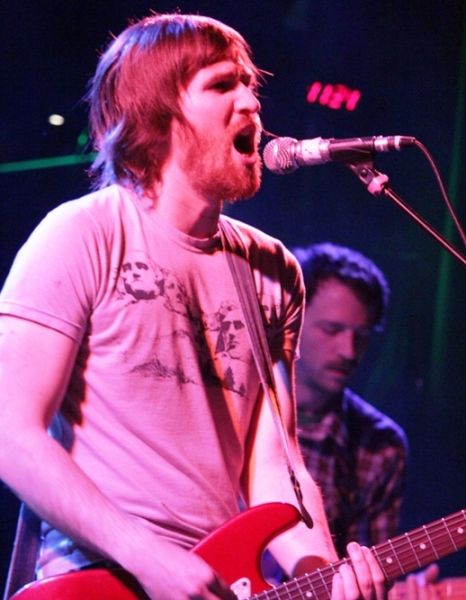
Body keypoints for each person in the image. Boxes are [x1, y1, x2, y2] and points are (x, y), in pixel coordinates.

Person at [0, 13, 386, 600]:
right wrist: (147, 556)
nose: (251, 102)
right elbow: (11, 433)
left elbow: (273, 465)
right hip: (96, 578)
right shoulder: (82, 234)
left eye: (250, 85)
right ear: (160, 114)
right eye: (222, 85)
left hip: (220, 583)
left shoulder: (272, 268)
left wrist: (323, 574)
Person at [291, 243, 438, 597]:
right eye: (332, 329)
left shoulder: (380, 445)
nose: (348, 351)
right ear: (291, 319)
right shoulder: (234, 404)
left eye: (361, 337)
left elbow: (369, 577)